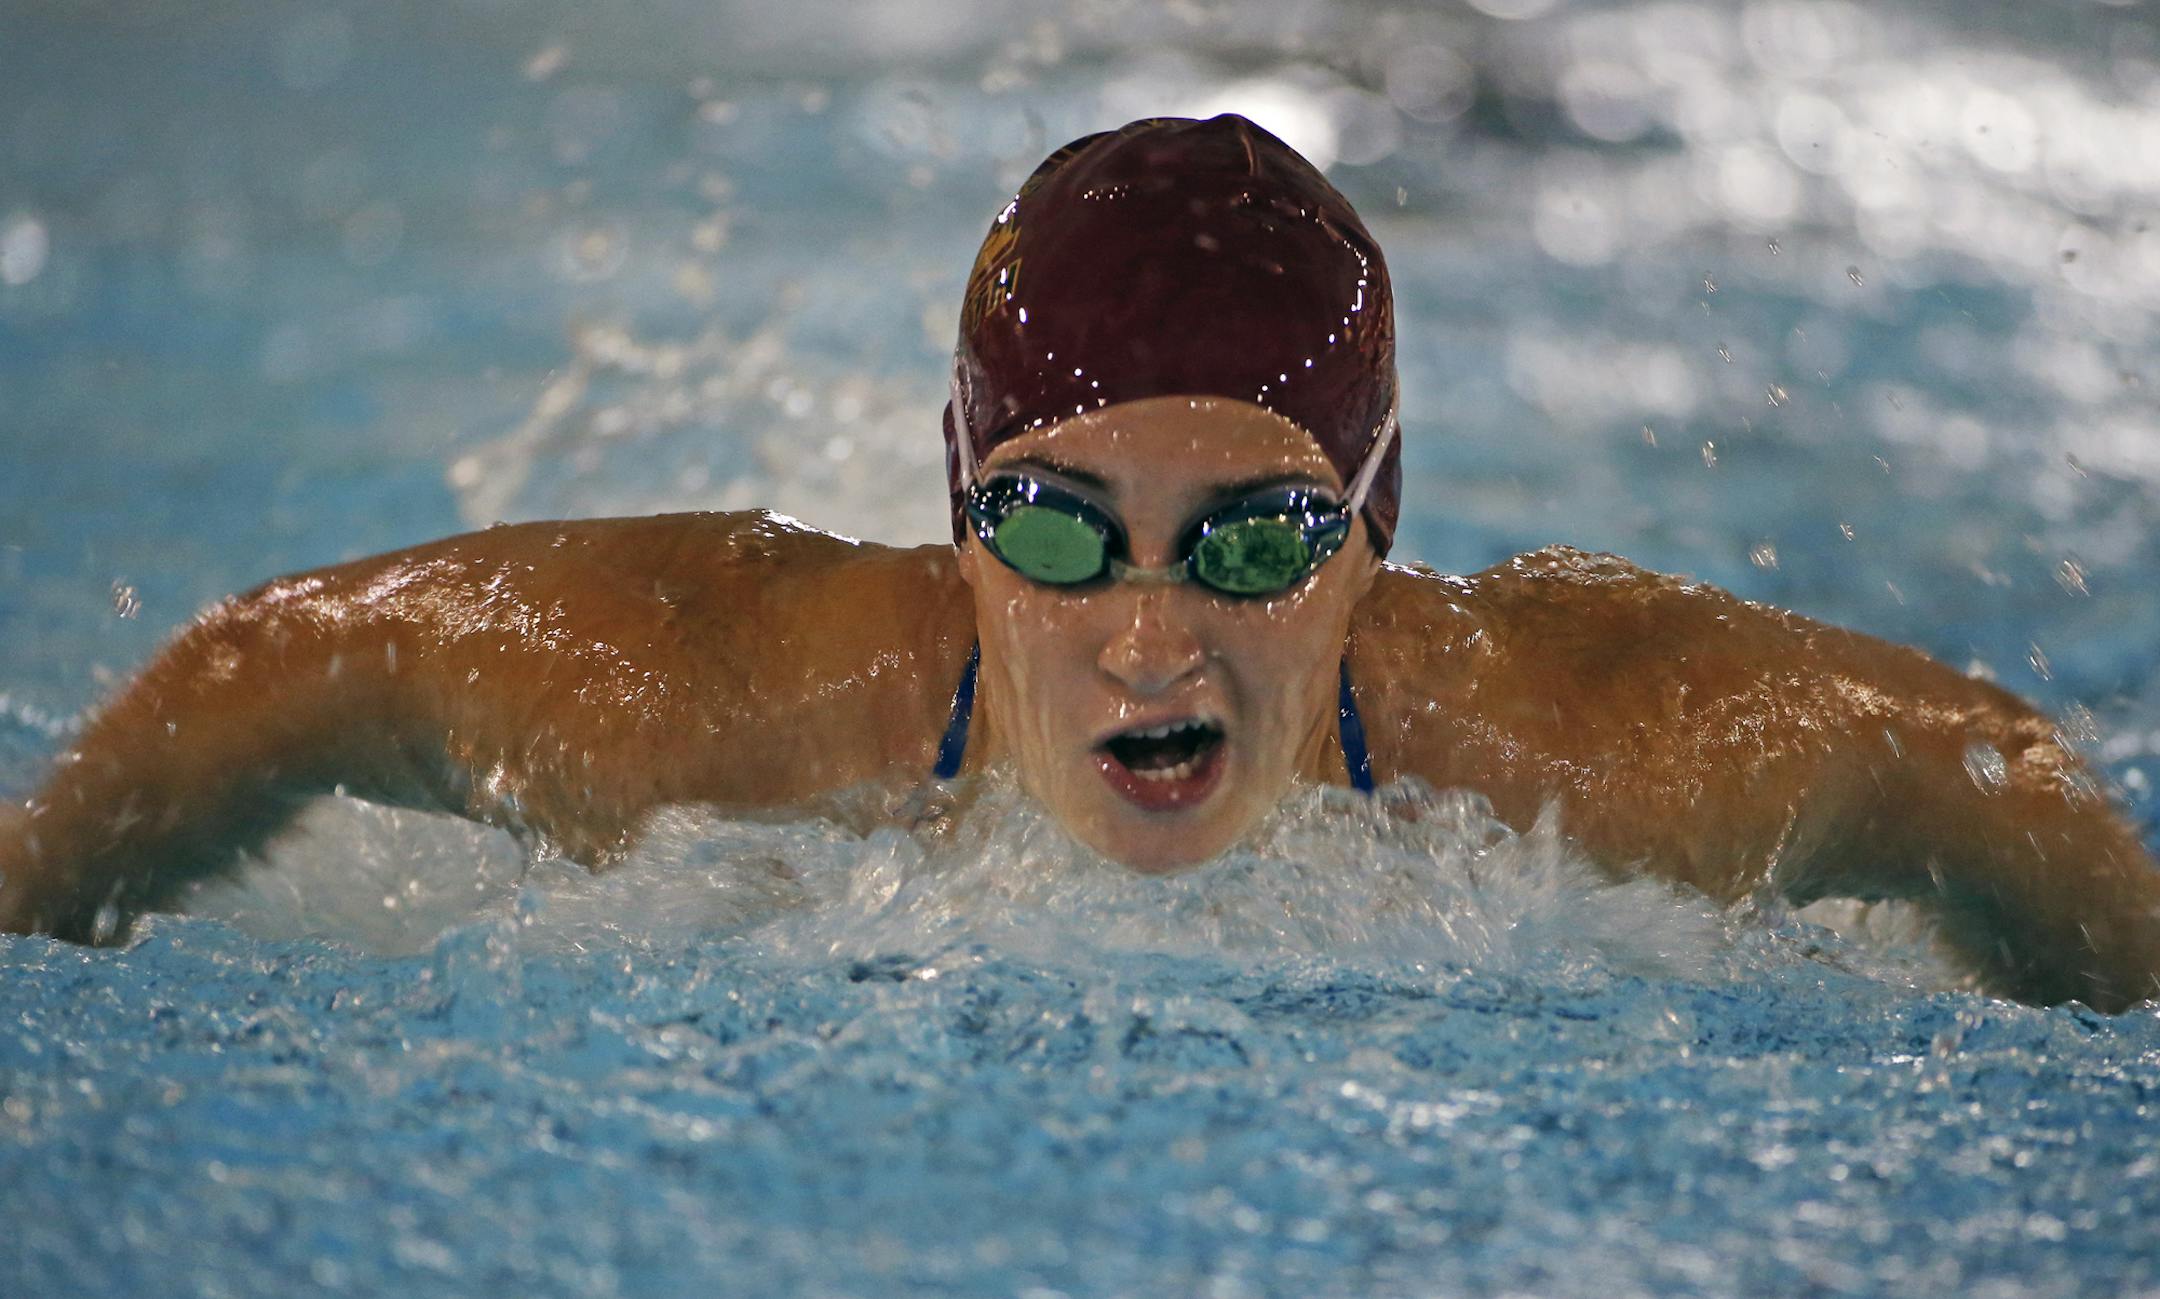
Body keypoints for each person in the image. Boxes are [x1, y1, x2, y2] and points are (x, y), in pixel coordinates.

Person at [2, 115, 2155, 1010]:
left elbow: (1980, 763)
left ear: (1374, 535)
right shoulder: (712, 702)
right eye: (1051, 524)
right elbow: (282, 662)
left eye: (1255, 539)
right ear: (959, 518)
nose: (1149, 635)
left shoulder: (1602, 752)